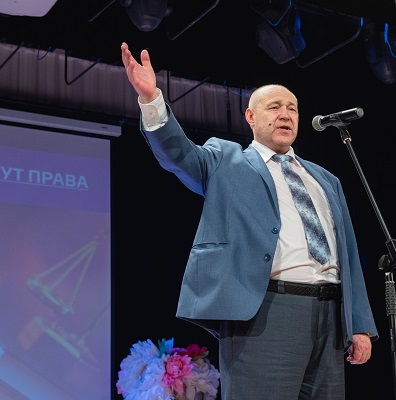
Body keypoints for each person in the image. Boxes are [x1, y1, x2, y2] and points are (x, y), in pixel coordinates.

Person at [120, 42, 378, 400]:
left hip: (330, 317)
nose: (285, 114)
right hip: (265, 312)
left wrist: (359, 324)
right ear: (251, 117)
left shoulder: (325, 179)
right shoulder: (226, 161)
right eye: (274, 107)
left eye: (292, 108)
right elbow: (177, 154)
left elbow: (348, 254)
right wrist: (151, 99)